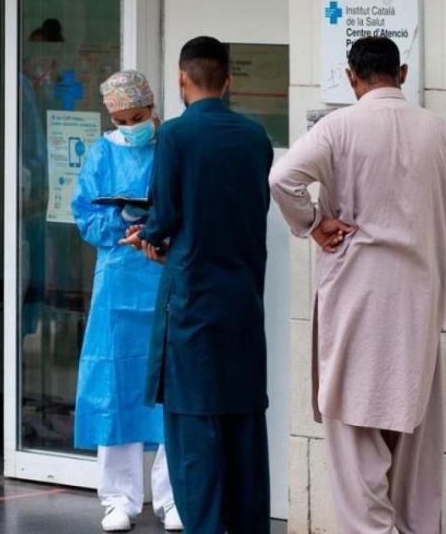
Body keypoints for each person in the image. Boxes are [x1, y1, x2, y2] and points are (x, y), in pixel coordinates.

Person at [269, 36, 446, 533]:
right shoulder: (439, 133)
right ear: (400, 73)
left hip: (357, 297)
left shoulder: (338, 127)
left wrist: (314, 222)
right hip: (420, 300)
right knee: (415, 443)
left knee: (356, 436)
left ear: (352, 78)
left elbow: (282, 178)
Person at [122, 36, 273, 533]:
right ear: (228, 80)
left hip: (191, 304)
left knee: (194, 435)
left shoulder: (177, 138)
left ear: (182, 79)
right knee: (244, 428)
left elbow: (164, 215)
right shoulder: (256, 138)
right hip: (244, 302)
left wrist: (147, 235)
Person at [71, 70, 182, 533]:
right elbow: (86, 218)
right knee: (116, 387)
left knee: (170, 389)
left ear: (152, 108)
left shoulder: (172, 147)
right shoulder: (102, 153)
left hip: (162, 277)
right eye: (122, 119)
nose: (131, 125)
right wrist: (122, 222)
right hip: (118, 283)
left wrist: (156, 225)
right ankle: (118, 498)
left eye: (138, 117)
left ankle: (173, 497)